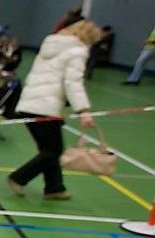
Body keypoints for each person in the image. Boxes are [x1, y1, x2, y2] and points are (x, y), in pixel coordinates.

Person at [8, 20, 100, 201]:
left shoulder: (51, 44)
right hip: (46, 106)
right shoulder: (78, 51)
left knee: (48, 149)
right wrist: (84, 110)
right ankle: (18, 178)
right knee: (53, 151)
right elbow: (72, 82)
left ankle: (54, 187)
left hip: (29, 103)